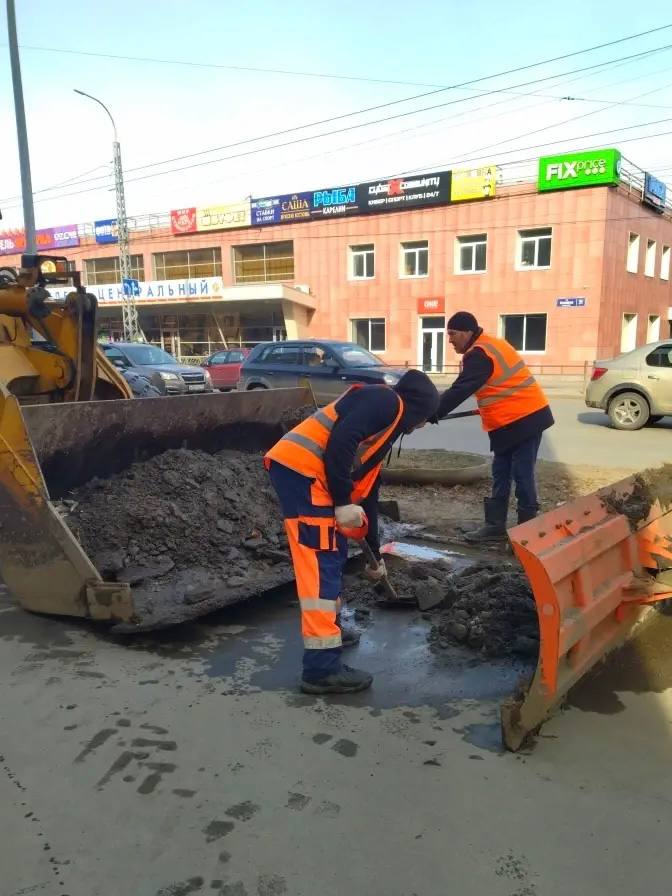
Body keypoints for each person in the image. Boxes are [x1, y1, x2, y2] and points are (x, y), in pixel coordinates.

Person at [265, 369, 440, 695]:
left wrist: (374, 554)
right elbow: (340, 443)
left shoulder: (382, 429)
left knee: (334, 553)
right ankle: (321, 669)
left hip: (310, 477)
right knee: (320, 564)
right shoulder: (386, 400)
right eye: (425, 419)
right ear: (418, 408)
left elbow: (369, 496)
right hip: (303, 474)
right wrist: (343, 501)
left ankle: (331, 629)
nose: (421, 427)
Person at [435, 311, 554, 543]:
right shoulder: (487, 345)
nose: (450, 340)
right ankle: (495, 527)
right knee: (500, 473)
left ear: (468, 332)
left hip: (524, 419)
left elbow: (461, 388)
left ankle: (527, 536)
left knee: (522, 475)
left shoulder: (480, 354)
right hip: (507, 422)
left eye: (453, 334)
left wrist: (432, 412)